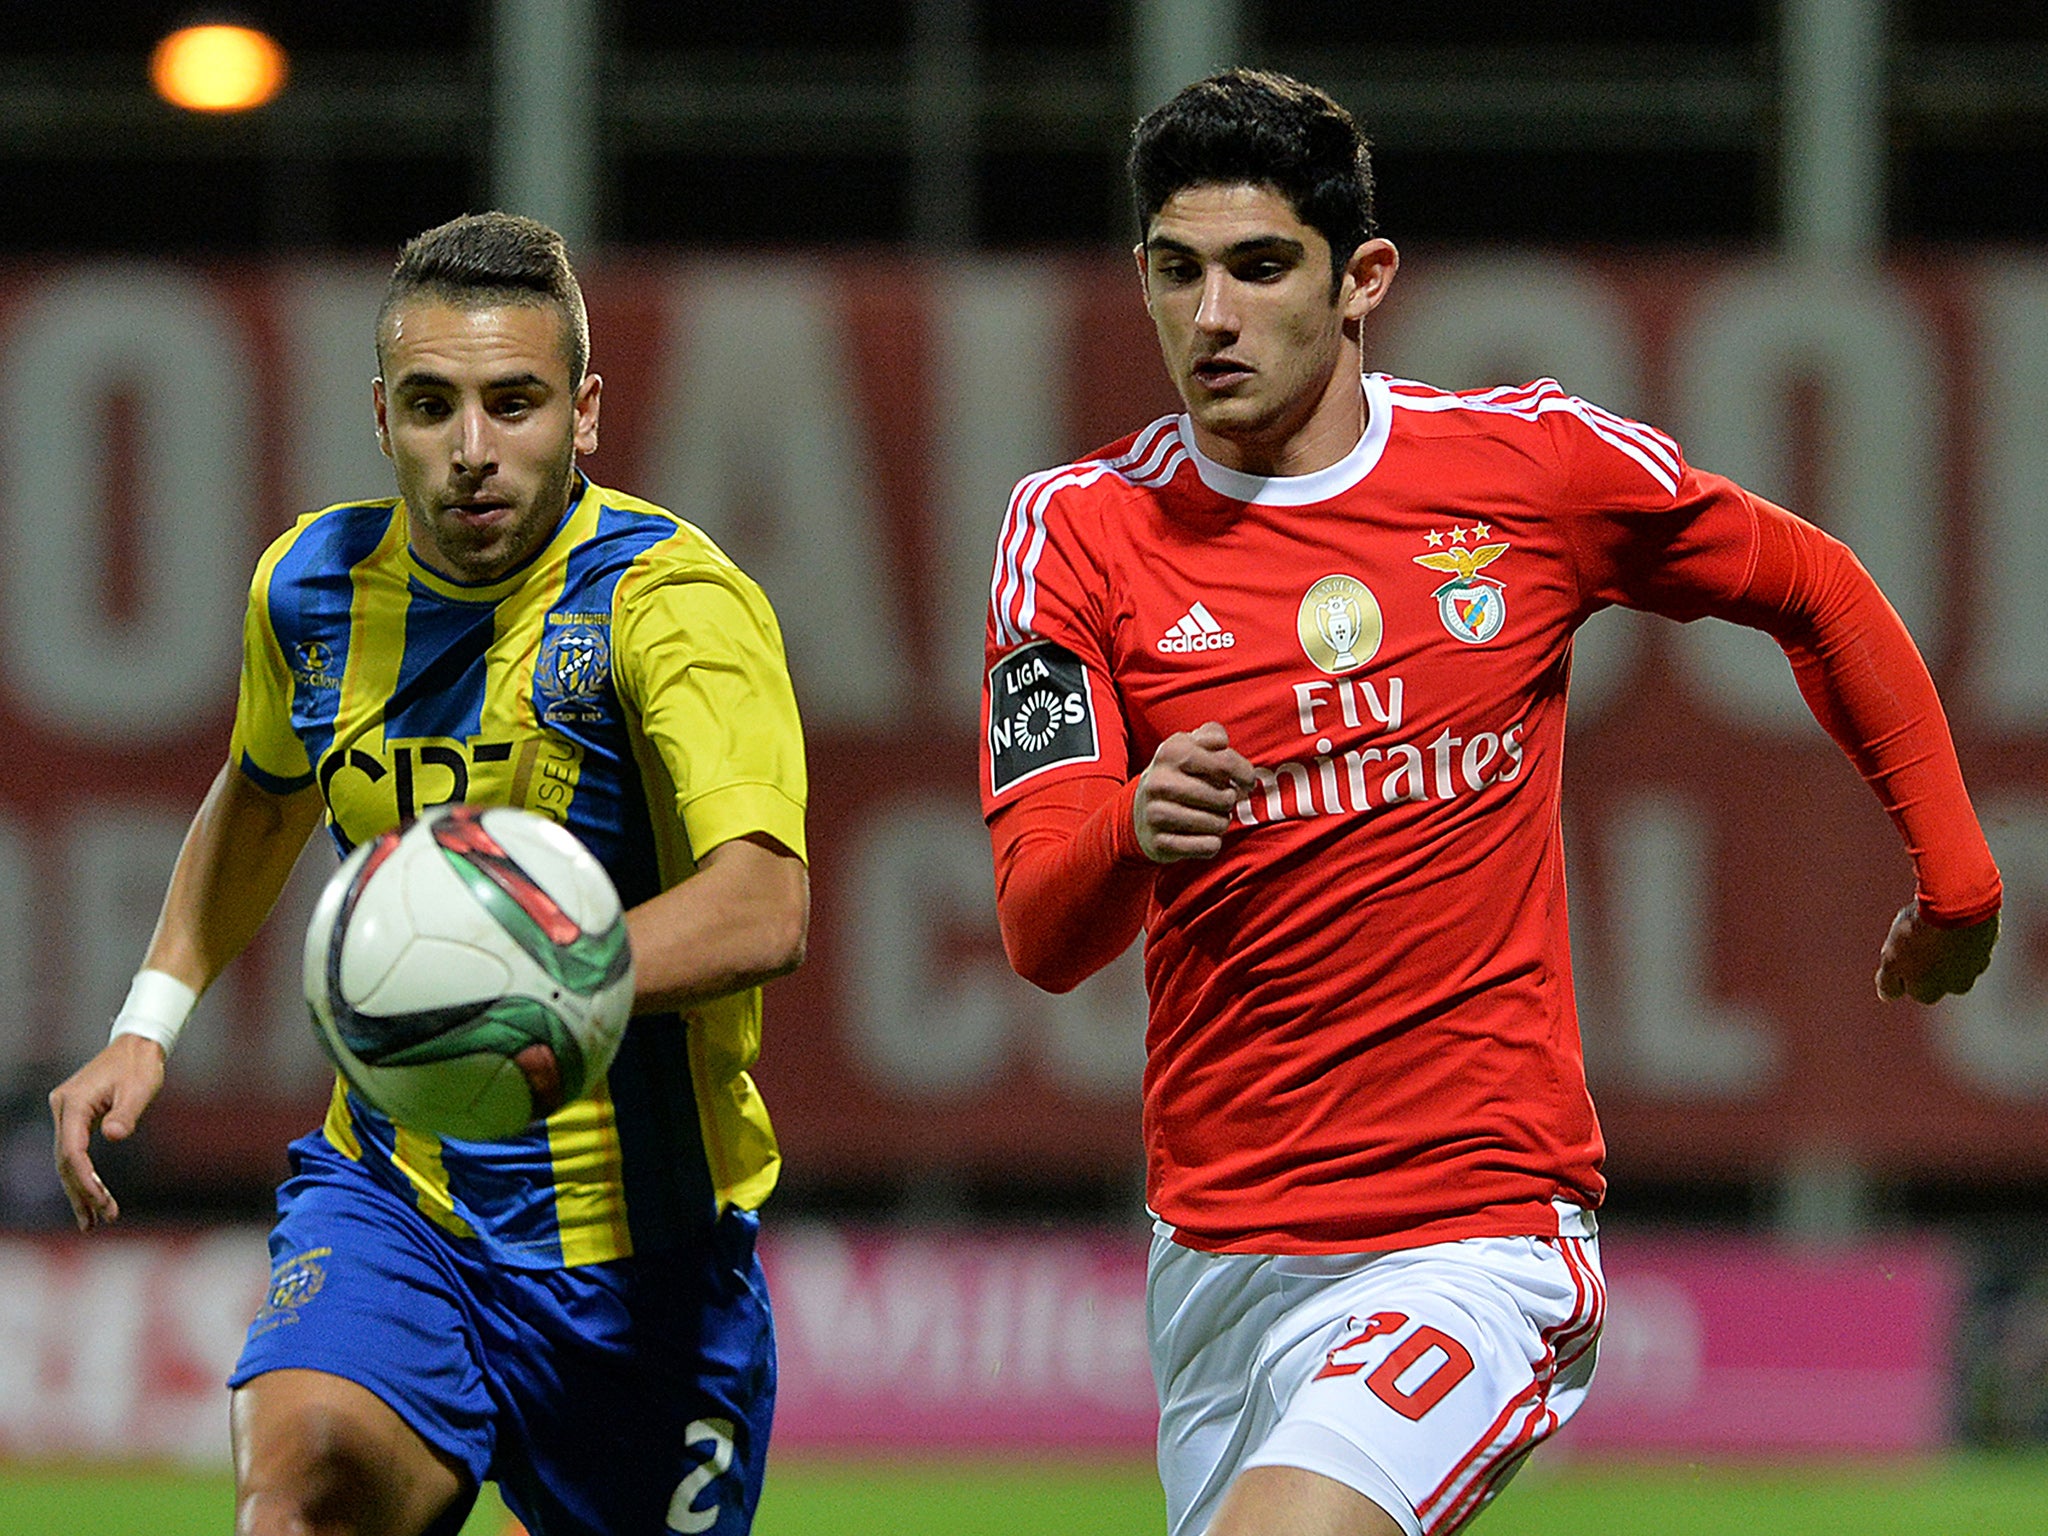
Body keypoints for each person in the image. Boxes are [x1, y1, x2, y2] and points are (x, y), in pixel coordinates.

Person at [978, 69, 2000, 1536]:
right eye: (1175, 269)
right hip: (1216, 1253)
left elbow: (1813, 587)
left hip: (1476, 1229)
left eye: (1260, 268)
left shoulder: (1523, 469)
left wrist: (1959, 882)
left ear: (1361, 280)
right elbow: (1038, 926)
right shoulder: (1075, 534)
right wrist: (1128, 826)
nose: (1211, 317)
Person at [48, 212, 809, 1536]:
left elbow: (766, 901)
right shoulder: (312, 588)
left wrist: (539, 975)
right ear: (380, 418)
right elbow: (261, 793)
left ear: (584, 414)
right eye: (431, 406)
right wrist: (147, 1018)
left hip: (647, 1270)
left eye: (513, 404)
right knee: (305, 1490)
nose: (470, 452)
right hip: (403, 1204)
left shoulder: (673, 604)